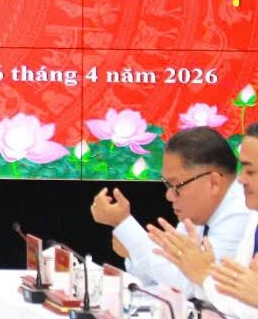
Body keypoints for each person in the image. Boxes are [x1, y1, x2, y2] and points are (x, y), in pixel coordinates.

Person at [90, 126, 250, 297]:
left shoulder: (241, 211)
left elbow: (192, 287)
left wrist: (125, 225)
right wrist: (133, 248)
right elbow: (162, 276)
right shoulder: (199, 210)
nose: (169, 195)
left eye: (176, 186)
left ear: (213, 183)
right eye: (167, 185)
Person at [149, 122, 258, 318]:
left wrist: (203, 275)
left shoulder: (241, 212)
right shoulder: (255, 220)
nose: (241, 179)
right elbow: (237, 299)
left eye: (250, 172)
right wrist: (202, 274)